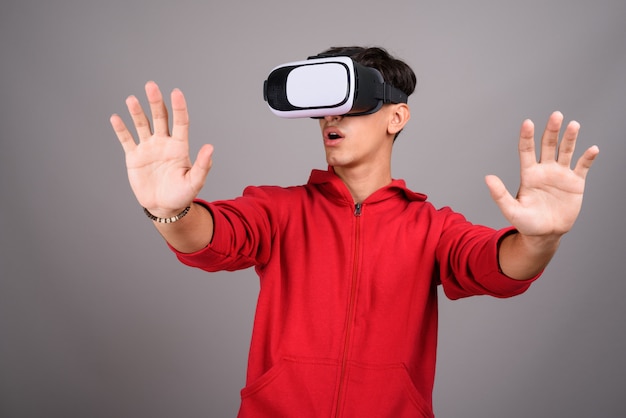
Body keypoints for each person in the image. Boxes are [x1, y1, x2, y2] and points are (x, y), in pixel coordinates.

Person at [110, 46, 599, 418]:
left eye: (350, 103)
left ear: (397, 116)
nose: (331, 118)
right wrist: (167, 210)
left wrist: (541, 239)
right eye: (322, 109)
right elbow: (210, 238)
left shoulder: (431, 226)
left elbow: (495, 267)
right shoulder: (278, 210)